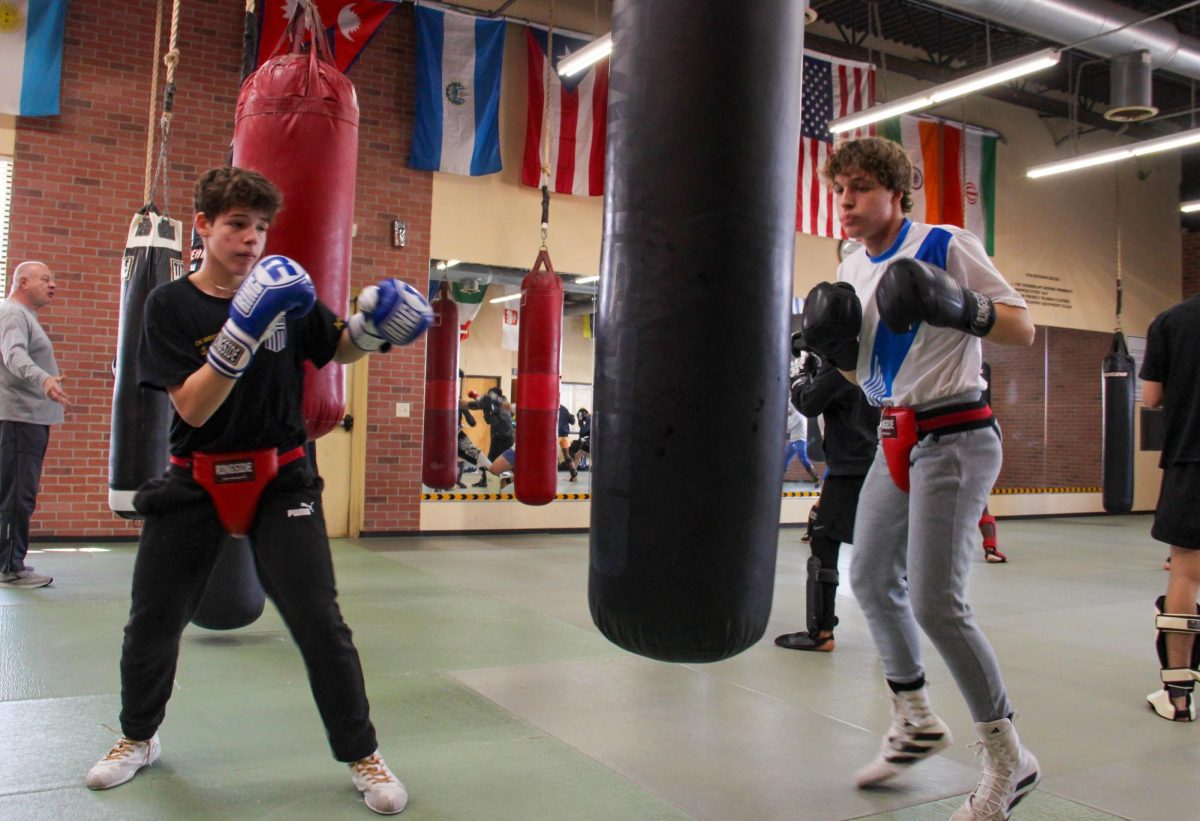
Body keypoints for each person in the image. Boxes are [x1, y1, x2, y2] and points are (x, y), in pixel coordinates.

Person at [84, 167, 432, 815]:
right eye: (237, 225)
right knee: (152, 620)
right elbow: (189, 408)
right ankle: (136, 737)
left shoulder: (286, 289)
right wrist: (240, 332)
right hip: (197, 477)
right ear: (203, 227)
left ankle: (363, 753)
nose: (251, 239)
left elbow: (334, 349)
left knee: (320, 621)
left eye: (261, 227)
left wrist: (373, 330)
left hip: (282, 475)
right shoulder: (170, 307)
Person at [800, 136, 1038, 819]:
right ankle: (914, 718)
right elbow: (874, 373)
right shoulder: (850, 262)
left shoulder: (944, 244)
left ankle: (1007, 757)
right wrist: (834, 367)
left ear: (894, 192)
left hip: (958, 434)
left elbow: (1021, 328)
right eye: (838, 188)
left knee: (937, 601)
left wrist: (964, 307)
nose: (845, 200)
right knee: (871, 577)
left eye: (859, 188)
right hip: (894, 434)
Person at [776, 350, 879, 652]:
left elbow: (808, 402)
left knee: (823, 540)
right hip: (881, 464)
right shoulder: (877, 360)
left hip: (851, 468)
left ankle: (821, 633)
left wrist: (799, 376)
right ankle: (893, 628)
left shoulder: (841, 364)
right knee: (886, 549)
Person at [1139, 296, 1200, 722]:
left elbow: (1151, 397)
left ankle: (1178, 697)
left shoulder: (1171, 320)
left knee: (1185, 571)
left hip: (1191, 458)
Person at [0, 261, 70, 588]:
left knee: (15, 493)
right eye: (45, 278)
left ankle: (9, 562)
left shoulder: (25, 317)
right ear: (23, 282)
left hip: (28, 420)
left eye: (52, 278)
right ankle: (11, 567)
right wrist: (43, 380)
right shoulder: (14, 314)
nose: (51, 284)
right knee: (18, 495)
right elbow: (13, 356)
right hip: (19, 419)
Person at [468, 387, 514, 488]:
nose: (489, 397)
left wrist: (484, 405)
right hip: (499, 437)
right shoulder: (497, 404)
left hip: (504, 437)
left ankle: (485, 480)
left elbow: (492, 415)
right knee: (492, 460)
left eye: (490, 395)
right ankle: (485, 480)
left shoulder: (502, 403)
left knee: (497, 460)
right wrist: (483, 406)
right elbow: (489, 419)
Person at [783, 397, 820, 484]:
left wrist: (787, 416)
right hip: (794, 440)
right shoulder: (798, 413)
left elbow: (788, 428)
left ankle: (816, 478)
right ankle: (780, 477)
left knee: (803, 459)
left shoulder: (797, 414)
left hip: (799, 441)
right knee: (785, 459)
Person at [557, 404, 579, 481]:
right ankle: (574, 476)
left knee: (553, 456)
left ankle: (550, 478)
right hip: (565, 435)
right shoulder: (564, 409)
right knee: (567, 455)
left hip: (557, 435)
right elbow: (572, 421)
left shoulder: (551, 406)